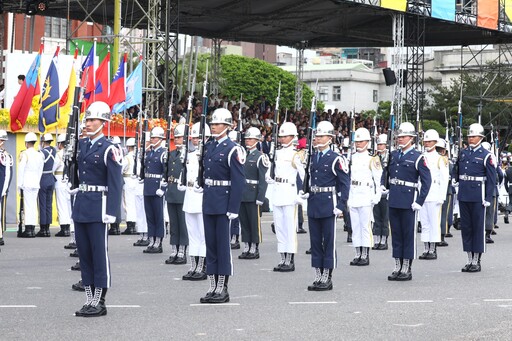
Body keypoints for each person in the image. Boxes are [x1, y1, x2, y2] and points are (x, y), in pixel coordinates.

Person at [72, 101, 123, 317]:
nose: (89, 123)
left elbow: (115, 183)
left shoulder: (110, 148)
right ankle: (89, 297)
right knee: (84, 254)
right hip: (82, 203)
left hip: (99, 207)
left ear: (103, 122)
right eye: (88, 119)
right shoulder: (82, 145)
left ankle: (99, 300)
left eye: (93, 120)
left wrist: (112, 212)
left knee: (98, 254)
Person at [199, 108, 245, 304]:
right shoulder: (209, 147)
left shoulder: (233, 149)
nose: (213, 126)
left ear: (226, 127)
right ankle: (212, 284)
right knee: (211, 246)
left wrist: (233, 208)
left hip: (224, 202)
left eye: (217, 124)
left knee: (222, 247)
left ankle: (222, 287)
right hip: (209, 200)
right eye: (212, 123)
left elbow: (238, 181)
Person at [299, 121, 350, 291]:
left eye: (320, 136)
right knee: (315, 241)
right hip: (314, 201)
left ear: (329, 138)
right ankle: (318, 274)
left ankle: (327, 276)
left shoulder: (336, 159)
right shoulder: (313, 157)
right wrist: (305, 191)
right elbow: (308, 178)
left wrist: (342, 205)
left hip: (329, 203)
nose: (317, 139)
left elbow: (344, 184)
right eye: (316, 136)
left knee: (328, 241)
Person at [387, 122, 431, 281]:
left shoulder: (418, 157)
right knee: (396, 234)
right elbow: (387, 174)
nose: (399, 139)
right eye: (398, 137)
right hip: (394, 198)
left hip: (409, 200)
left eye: (403, 136)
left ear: (411, 138)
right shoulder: (394, 154)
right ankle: (397, 264)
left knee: (408, 234)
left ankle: (407, 266)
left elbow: (427, 181)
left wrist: (419, 201)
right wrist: (384, 187)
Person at [453, 123, 496, 272]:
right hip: (464, 194)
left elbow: (491, 179)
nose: (471, 139)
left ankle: (477, 260)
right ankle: (469, 258)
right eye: (469, 136)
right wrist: (455, 179)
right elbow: (457, 169)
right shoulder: (463, 153)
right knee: (467, 228)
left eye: (474, 136)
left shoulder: (486, 155)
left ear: (481, 137)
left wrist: (488, 198)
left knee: (478, 228)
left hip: (478, 196)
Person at [267, 122, 305, 272]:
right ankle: (282, 258)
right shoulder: (276, 153)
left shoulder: (296, 154)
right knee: (280, 227)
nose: (282, 139)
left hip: (289, 193)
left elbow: (303, 175)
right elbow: (272, 170)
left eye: (285, 136)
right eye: (281, 136)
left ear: (293, 137)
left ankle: (290, 259)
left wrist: (300, 193)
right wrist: (269, 177)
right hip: (277, 192)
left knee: (290, 228)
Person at [178, 123, 210, 280]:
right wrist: (180, 182)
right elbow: (185, 172)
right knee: (192, 233)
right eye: (194, 137)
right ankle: (193, 265)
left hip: (201, 196)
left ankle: (203, 266)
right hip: (190, 196)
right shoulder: (189, 155)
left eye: (199, 137)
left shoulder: (208, 154)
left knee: (203, 233)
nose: (196, 140)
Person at [347, 127, 383, 266]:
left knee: (365, 226)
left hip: (366, 194)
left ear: (368, 142)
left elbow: (378, 179)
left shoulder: (373, 159)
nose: (358, 144)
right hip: (354, 193)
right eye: (357, 141)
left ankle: (365, 254)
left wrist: (377, 195)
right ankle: (357, 253)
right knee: (355, 226)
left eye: (361, 141)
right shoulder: (351, 157)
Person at [238, 127, 269, 260]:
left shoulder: (260, 157)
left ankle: (254, 247)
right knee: (244, 222)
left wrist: (260, 197)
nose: (247, 141)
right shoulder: (242, 155)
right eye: (246, 138)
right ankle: (246, 245)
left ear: (257, 140)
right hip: (243, 194)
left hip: (253, 194)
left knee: (253, 222)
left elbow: (263, 179)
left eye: (250, 139)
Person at [418, 130, 449, 260]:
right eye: (425, 141)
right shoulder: (421, 157)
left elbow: (444, 178)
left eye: (429, 141)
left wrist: (442, 196)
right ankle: (426, 248)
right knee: (424, 222)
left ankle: (433, 248)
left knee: (434, 222)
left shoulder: (440, 159)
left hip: (435, 193)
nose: (426, 143)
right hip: (422, 194)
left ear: (435, 142)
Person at [165, 124, 188, 265]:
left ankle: (182, 251)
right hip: (171, 190)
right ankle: (174, 249)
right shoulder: (172, 153)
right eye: (176, 137)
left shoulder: (188, 154)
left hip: (181, 192)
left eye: (179, 137)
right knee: (173, 224)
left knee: (182, 223)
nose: (177, 140)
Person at [142, 127, 167, 253]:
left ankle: (158, 241)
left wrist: (163, 188)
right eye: (152, 137)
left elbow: (166, 172)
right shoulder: (149, 152)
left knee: (158, 216)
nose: (152, 139)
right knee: (150, 216)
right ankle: (151, 239)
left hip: (157, 187)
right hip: (148, 186)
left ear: (161, 139)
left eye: (155, 137)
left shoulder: (163, 153)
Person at [17, 132, 44, 238]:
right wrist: (37, 180)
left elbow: (21, 170)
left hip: (27, 182)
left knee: (28, 206)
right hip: (36, 182)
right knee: (33, 205)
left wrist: (19, 185)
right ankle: (32, 228)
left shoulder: (25, 154)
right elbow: (40, 170)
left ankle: (28, 229)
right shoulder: (39, 154)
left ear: (26, 143)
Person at [36, 133, 57, 237]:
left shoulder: (41, 152)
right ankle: (47, 227)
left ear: (43, 142)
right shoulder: (55, 151)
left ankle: (43, 228)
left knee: (43, 204)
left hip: (43, 178)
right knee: (49, 204)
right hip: (51, 178)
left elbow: (38, 166)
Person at [53, 134, 73, 238]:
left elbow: (53, 167)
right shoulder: (71, 152)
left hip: (60, 179)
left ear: (60, 144)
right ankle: (70, 226)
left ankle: (64, 228)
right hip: (69, 180)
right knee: (69, 204)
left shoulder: (59, 154)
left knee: (61, 204)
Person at [372, 134, 390, 250]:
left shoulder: (390, 157)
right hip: (376, 190)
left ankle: (384, 240)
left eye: (382, 144)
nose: (379, 146)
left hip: (387, 191)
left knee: (385, 217)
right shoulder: (374, 158)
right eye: (378, 144)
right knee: (376, 216)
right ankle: (377, 239)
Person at [121, 138, 138, 235]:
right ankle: (133, 225)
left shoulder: (127, 157)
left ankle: (130, 226)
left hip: (128, 180)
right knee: (134, 204)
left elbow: (121, 168)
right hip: (135, 181)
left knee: (128, 204)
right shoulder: (138, 157)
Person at [108, 136, 124, 235]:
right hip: (120, 177)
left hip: (114, 177)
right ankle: (116, 226)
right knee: (117, 202)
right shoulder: (121, 151)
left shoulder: (114, 151)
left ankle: (114, 226)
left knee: (113, 202)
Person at [0, 130, 13, 246]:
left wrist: (5, 188)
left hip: (2, 186)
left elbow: (8, 173)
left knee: (1, 211)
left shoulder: (5, 156)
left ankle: (1, 234)